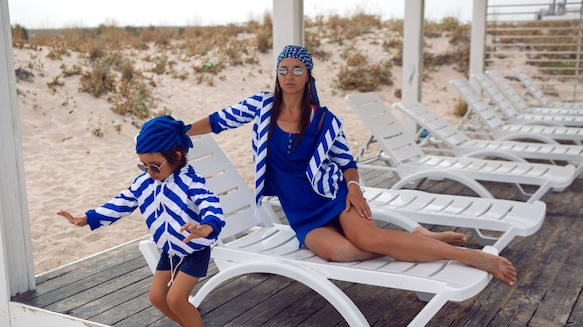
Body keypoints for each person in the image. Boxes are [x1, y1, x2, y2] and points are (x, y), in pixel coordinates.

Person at [186, 44, 517, 286]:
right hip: (302, 215)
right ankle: (423, 242)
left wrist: (355, 188)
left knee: (371, 240)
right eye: (283, 69)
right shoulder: (262, 106)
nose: (289, 75)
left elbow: (347, 162)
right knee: (342, 252)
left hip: (336, 198)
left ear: (308, 75)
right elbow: (217, 122)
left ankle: (471, 257)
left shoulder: (323, 120)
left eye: (297, 69)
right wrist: (178, 132)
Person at [57, 115, 225, 327]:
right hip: (168, 251)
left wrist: (205, 227)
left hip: (193, 249)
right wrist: (88, 219)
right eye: (143, 166)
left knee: (176, 299)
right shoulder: (145, 183)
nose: (149, 172)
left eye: (155, 166)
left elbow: (210, 203)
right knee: (157, 297)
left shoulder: (191, 182)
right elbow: (121, 203)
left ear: (177, 157)